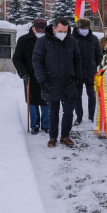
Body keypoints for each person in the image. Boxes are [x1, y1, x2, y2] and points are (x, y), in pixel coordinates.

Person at [32, 17, 82, 148]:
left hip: (68, 82)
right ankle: (52, 137)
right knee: (53, 112)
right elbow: (37, 61)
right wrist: (42, 80)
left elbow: (77, 59)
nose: (63, 34)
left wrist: (77, 76)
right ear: (53, 28)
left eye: (65, 31)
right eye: (60, 31)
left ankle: (65, 135)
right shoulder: (43, 42)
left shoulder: (71, 41)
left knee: (69, 112)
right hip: (51, 82)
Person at [12, 18, 50, 134]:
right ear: (33, 28)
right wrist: (23, 73)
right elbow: (17, 58)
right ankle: (34, 125)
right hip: (30, 76)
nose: (40, 33)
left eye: (42, 30)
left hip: (46, 76)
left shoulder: (49, 40)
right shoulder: (24, 40)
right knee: (32, 101)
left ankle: (46, 124)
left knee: (46, 101)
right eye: (38, 30)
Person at [72, 18, 102, 125]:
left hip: (90, 71)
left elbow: (98, 55)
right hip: (77, 72)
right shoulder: (72, 39)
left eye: (86, 27)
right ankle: (79, 116)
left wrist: (94, 64)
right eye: (82, 28)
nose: (84, 29)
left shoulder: (93, 39)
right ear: (78, 28)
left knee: (92, 95)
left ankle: (92, 115)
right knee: (77, 95)